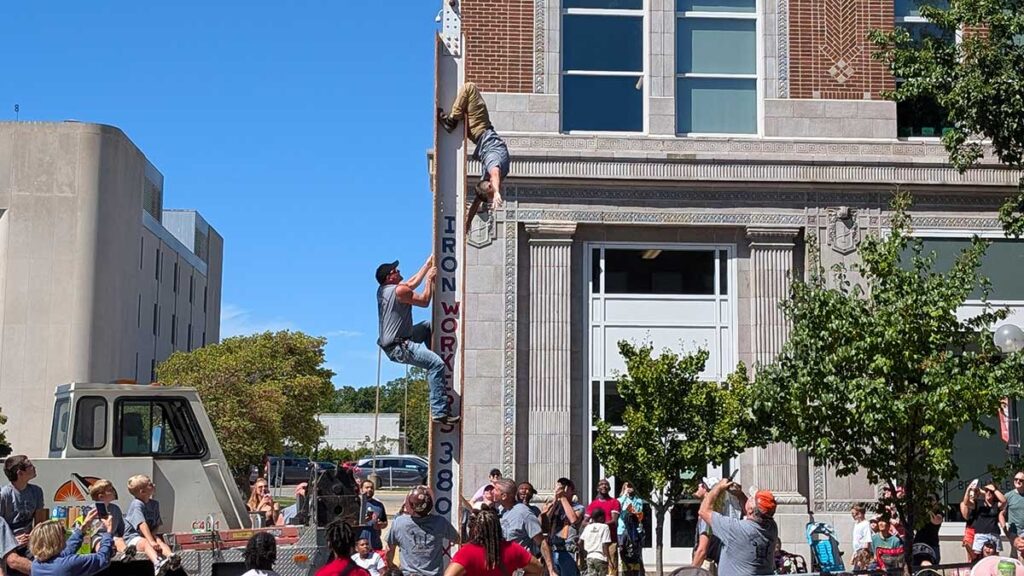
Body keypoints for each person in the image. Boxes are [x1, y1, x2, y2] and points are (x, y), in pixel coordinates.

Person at [375, 258, 458, 425]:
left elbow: (411, 282)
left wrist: (427, 265)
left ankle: (430, 355)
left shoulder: (385, 290)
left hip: (403, 338)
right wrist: (429, 280)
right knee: (436, 364)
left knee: (428, 326)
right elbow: (425, 301)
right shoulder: (398, 292)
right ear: (389, 278)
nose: (398, 271)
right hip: (399, 346)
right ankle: (439, 412)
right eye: (394, 271)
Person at [437, 82, 512, 231]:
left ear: (490, 185)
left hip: (481, 127)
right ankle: (454, 119)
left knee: (470, 88)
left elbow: (494, 173)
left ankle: (452, 120)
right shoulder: (486, 176)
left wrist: (496, 192)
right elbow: (477, 202)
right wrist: (468, 222)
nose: (499, 190)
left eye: (491, 193)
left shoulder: (492, 166)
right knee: (469, 92)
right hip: (478, 132)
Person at [697, 478, 777, 576]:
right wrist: (740, 495)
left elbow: (703, 511)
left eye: (752, 498)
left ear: (751, 510)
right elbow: (752, 513)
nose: (749, 497)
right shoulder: (772, 528)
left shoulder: (737, 530)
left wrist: (718, 487)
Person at [445, 507, 542, 576]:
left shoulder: (466, 553)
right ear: (498, 527)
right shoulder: (513, 548)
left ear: (475, 529)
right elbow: (537, 569)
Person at [385, 486, 460, 576]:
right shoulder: (440, 522)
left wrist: (391, 564)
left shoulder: (399, 522)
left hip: (408, 573)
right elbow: (458, 539)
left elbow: (389, 549)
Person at [29, 509, 112, 576]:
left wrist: (83, 527)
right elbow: (103, 558)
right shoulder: (68, 564)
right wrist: (108, 532)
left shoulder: (36, 564)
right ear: (56, 540)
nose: (65, 535)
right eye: (63, 533)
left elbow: (66, 551)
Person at [123, 474, 179, 574]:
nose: (154, 485)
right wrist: (151, 541)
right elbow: (142, 524)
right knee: (146, 543)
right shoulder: (137, 504)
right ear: (142, 491)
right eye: (150, 484)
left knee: (159, 541)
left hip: (148, 535)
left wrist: (153, 537)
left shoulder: (154, 504)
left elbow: (157, 523)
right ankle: (157, 563)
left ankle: (171, 557)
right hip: (133, 537)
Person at [492, 478, 551, 572]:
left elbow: (541, 542)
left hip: (521, 569)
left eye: (495, 490)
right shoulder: (499, 511)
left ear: (504, 496)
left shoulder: (524, 513)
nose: (492, 492)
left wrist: (551, 570)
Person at [1, 455, 46, 576]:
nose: (34, 467)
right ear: (20, 473)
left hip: (30, 541)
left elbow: (40, 521)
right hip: (7, 543)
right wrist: (12, 541)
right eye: (30, 465)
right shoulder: (4, 495)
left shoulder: (36, 491)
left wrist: (32, 536)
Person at [543, 478, 583, 576]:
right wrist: (555, 502)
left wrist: (563, 498)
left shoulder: (578, 507)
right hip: (552, 549)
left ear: (571, 490)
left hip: (568, 550)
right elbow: (545, 521)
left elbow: (573, 519)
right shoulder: (554, 506)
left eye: (564, 488)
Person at [584, 479, 620, 576]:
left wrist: (599, 526)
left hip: (610, 541)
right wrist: (591, 526)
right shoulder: (593, 504)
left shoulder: (614, 502)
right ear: (597, 488)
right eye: (601, 484)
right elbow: (585, 521)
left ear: (609, 488)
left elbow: (614, 520)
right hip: (595, 545)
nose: (604, 486)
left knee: (612, 569)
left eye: (606, 484)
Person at [87, 479, 129, 559]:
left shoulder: (116, 509)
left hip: (112, 536)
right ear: (101, 496)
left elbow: (121, 528)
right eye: (110, 490)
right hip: (97, 536)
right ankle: (105, 552)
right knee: (99, 542)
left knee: (119, 541)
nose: (113, 491)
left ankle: (126, 553)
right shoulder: (90, 510)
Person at [965, 482, 1006, 557]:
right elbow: (966, 502)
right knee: (977, 557)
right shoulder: (978, 503)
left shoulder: (996, 504)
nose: (988, 493)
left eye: (991, 492)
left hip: (994, 534)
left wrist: (994, 489)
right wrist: (968, 490)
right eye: (987, 491)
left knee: (995, 557)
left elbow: (1004, 501)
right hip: (980, 534)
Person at [617, 482, 645, 576]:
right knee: (623, 551)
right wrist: (625, 495)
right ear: (624, 488)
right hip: (622, 529)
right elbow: (619, 508)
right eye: (627, 487)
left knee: (636, 553)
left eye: (631, 486)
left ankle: (637, 572)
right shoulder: (620, 499)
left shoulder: (638, 500)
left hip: (635, 529)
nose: (630, 488)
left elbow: (638, 512)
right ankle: (626, 572)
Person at [580, 509, 612, 576]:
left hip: (589, 557)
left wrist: (583, 555)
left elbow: (580, 542)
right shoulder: (604, 527)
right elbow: (604, 545)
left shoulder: (588, 527)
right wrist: (609, 561)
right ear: (600, 517)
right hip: (601, 558)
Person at [912, 498, 943, 567]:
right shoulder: (920, 514)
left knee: (929, 567)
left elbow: (935, 521)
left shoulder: (939, 514)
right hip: (918, 544)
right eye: (928, 499)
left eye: (932, 500)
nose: (930, 502)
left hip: (932, 545)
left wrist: (928, 511)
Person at [1005, 471, 1024, 559]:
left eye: (1021, 480)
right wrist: (1004, 527)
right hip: (1014, 532)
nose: (1018, 481)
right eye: (1016, 479)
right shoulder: (1008, 496)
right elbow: (1001, 512)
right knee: (1015, 556)